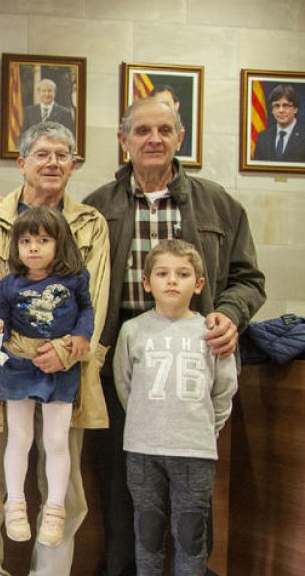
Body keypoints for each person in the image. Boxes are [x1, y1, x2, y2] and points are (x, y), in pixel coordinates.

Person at [84, 96, 265, 576]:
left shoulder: (219, 204)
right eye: (142, 131)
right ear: (124, 141)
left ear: (180, 139)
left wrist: (229, 313)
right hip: (119, 367)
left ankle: (191, 568)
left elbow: (250, 279)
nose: (154, 139)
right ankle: (125, 567)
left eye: (165, 130)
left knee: (191, 492)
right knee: (124, 486)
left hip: (192, 369)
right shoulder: (96, 208)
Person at [0, 121, 110, 576]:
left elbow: (97, 296)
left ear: (73, 165)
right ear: (22, 163)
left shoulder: (90, 222)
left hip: (68, 366)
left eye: (63, 155)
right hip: (5, 365)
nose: (52, 163)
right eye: (43, 154)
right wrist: (29, 346)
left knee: (61, 481)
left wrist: (67, 350)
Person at [112, 240, 237, 576]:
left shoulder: (210, 331)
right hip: (142, 448)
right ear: (146, 282)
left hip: (194, 449)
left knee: (190, 531)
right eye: (162, 273)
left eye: (182, 274)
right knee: (148, 529)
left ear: (197, 285)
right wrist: (146, 419)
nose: (171, 281)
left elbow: (224, 390)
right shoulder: (132, 330)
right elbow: (124, 384)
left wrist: (206, 429)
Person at [0, 206, 93, 549]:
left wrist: (81, 337)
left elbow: (87, 310)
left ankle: (55, 507)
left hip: (61, 366)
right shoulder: (7, 285)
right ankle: (15, 503)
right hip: (19, 364)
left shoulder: (75, 279)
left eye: (43, 240)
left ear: (58, 243)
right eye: (26, 240)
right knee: (18, 439)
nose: (33, 247)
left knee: (57, 440)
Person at [252, 84, 304, 162]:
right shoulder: (263, 137)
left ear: (295, 109)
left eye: (285, 105)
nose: (281, 110)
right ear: (272, 110)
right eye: (276, 106)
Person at [150, 85, 192, 159]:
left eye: (167, 104)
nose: (163, 109)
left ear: (176, 105)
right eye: (158, 104)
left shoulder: (189, 136)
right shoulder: (148, 134)